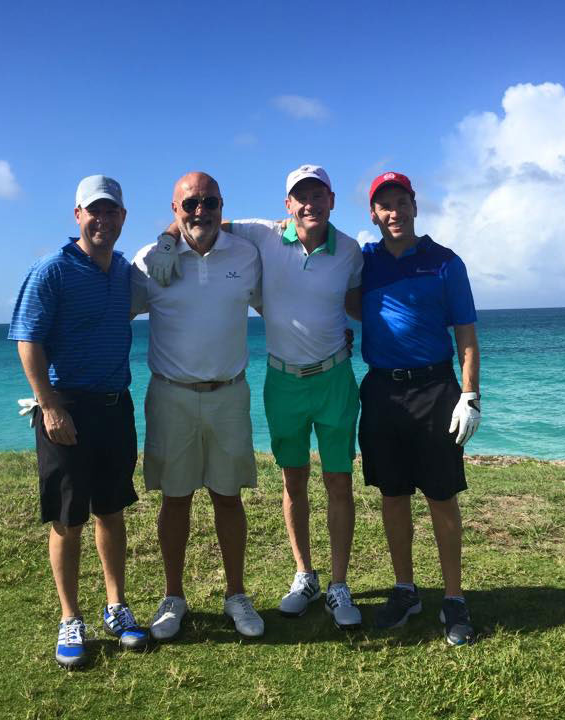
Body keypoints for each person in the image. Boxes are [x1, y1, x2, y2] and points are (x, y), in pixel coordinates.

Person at [147, 165, 365, 631]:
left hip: (330, 378)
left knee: (338, 483)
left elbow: (360, 302)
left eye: (317, 195)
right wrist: (167, 242)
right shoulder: (260, 237)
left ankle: (337, 585)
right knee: (290, 482)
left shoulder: (348, 250)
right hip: (278, 381)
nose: (309, 204)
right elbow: (193, 221)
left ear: (332, 199)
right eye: (299, 197)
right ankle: (303, 575)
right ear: (287, 205)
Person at [9, 175, 148, 668]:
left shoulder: (124, 271)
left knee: (111, 510)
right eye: (94, 211)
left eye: (111, 211)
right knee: (68, 518)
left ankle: (116, 607)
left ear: (122, 218)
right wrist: (48, 405)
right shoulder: (53, 270)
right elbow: (28, 338)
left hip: (115, 404)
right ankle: (71, 618)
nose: (102, 220)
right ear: (77, 215)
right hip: (65, 406)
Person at [131, 172, 265, 641]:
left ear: (221, 206)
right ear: (174, 210)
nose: (199, 211)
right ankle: (173, 596)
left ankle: (236, 594)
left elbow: (284, 303)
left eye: (209, 202)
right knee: (176, 496)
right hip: (171, 394)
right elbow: (109, 311)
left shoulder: (246, 254)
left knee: (228, 496)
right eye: (189, 204)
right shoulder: (151, 262)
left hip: (229, 392)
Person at [349, 171, 481, 645]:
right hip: (382, 391)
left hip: (435, 390)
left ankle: (453, 597)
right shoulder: (363, 262)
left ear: (414, 205)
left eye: (401, 202)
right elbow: (343, 299)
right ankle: (405, 590)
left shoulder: (445, 262)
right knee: (393, 494)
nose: (394, 212)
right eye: (384, 205)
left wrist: (470, 396)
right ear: (373, 214)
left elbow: (465, 333)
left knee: (441, 496)